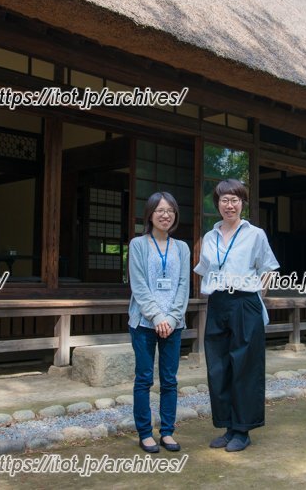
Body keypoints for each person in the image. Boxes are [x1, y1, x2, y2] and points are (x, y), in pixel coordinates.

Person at [194, 179, 279, 452]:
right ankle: (228, 425)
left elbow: (268, 268)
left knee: (246, 366)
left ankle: (243, 429)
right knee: (219, 367)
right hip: (218, 303)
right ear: (217, 204)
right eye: (224, 200)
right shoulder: (210, 237)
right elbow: (204, 270)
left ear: (242, 203)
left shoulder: (255, 234)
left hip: (244, 303)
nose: (229, 205)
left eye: (235, 200)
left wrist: (257, 297)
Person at [128, 191, 190, 453]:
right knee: (144, 378)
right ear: (150, 214)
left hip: (174, 324)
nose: (165, 215)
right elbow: (139, 285)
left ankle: (167, 431)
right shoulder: (138, 244)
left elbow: (183, 285)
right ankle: (145, 432)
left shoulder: (182, 248)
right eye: (160, 210)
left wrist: (172, 317)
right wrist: (157, 317)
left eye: (170, 211)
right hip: (144, 322)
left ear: (175, 215)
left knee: (170, 380)